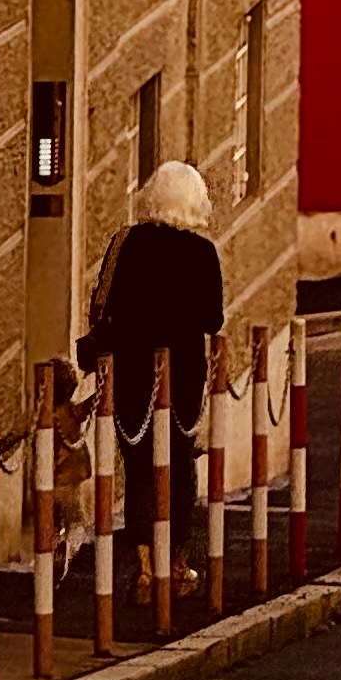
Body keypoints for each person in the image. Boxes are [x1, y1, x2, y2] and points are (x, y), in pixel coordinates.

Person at [79, 160, 227, 602]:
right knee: (178, 464)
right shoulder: (202, 253)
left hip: (130, 369)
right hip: (179, 372)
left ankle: (145, 563)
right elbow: (211, 317)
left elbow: (106, 304)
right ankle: (175, 562)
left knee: (139, 464)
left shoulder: (126, 244)